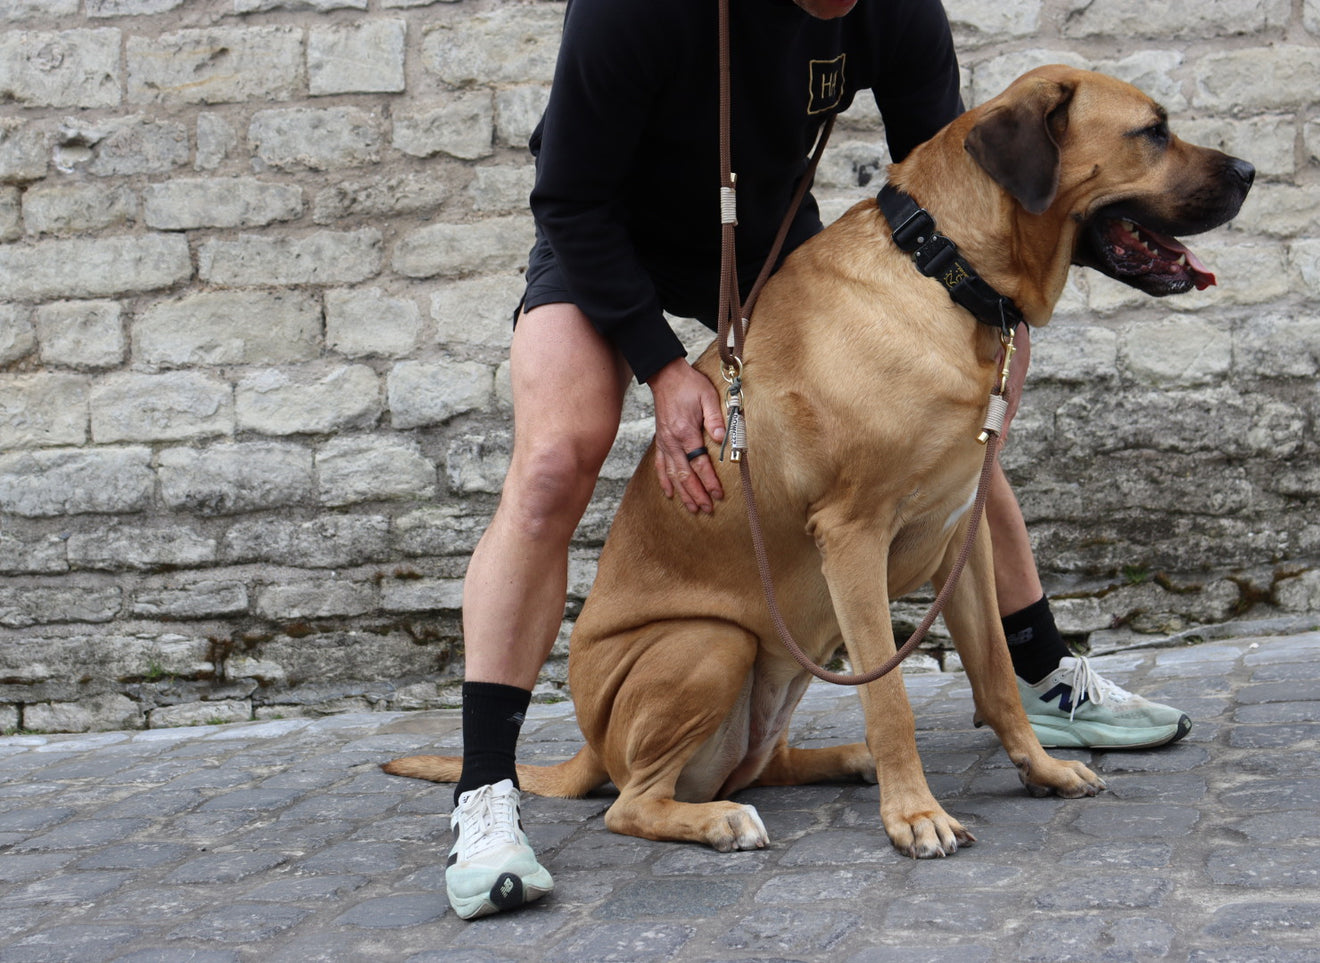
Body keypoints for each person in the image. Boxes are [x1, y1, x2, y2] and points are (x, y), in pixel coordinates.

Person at [443, 0, 1190, 921]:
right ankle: (485, 790)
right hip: (606, 231)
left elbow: (960, 185)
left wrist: (989, 323)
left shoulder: (896, 10)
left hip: (763, 229)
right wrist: (663, 369)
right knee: (555, 460)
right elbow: (567, 198)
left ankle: (1042, 679)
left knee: (942, 437)